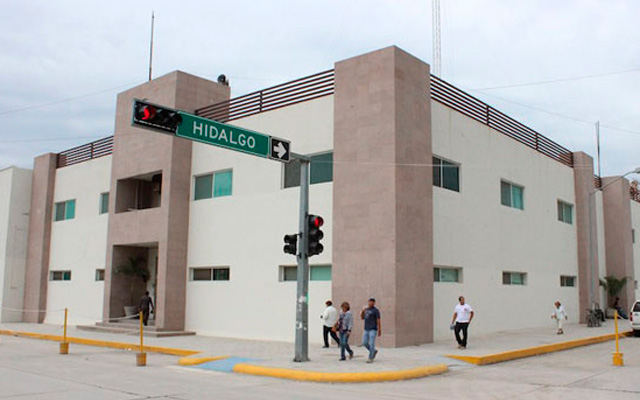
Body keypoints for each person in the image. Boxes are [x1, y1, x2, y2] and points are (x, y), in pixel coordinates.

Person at [360, 297, 381, 363]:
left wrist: (379, 329)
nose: (370, 303)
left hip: (373, 329)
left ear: (374, 303)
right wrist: (363, 311)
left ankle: (370, 358)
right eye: (369, 301)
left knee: (371, 343)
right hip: (366, 328)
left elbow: (378, 320)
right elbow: (362, 318)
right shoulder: (366, 309)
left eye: (372, 302)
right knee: (364, 343)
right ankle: (373, 351)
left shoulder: (376, 310)